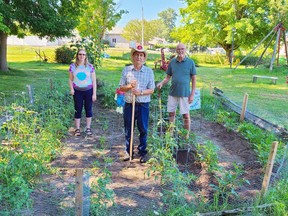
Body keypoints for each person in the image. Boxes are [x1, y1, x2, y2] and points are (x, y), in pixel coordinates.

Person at [119, 45, 155, 163]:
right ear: (133, 57)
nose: (139, 57)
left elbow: (152, 89)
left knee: (143, 129)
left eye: (141, 55)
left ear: (144, 58)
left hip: (143, 105)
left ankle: (142, 152)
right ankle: (128, 152)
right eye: (136, 55)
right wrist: (130, 86)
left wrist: (140, 92)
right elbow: (121, 88)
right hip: (129, 104)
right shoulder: (127, 70)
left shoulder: (149, 71)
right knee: (129, 129)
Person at [157, 43, 196, 138]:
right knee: (171, 113)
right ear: (176, 50)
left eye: (182, 49)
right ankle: (170, 134)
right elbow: (167, 78)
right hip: (173, 93)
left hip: (185, 93)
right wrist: (162, 83)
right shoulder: (172, 62)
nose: (180, 51)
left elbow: (194, 79)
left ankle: (186, 136)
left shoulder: (190, 62)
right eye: (178, 49)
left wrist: (192, 94)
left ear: (185, 50)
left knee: (186, 115)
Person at [69, 49, 97, 136]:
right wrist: (71, 89)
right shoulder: (73, 66)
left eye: (84, 54)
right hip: (77, 91)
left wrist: (94, 93)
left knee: (88, 109)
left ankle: (88, 128)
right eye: (80, 54)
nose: (82, 56)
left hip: (88, 91)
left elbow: (94, 81)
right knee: (78, 109)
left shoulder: (90, 67)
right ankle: (77, 129)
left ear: (86, 56)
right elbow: (70, 79)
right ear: (77, 55)